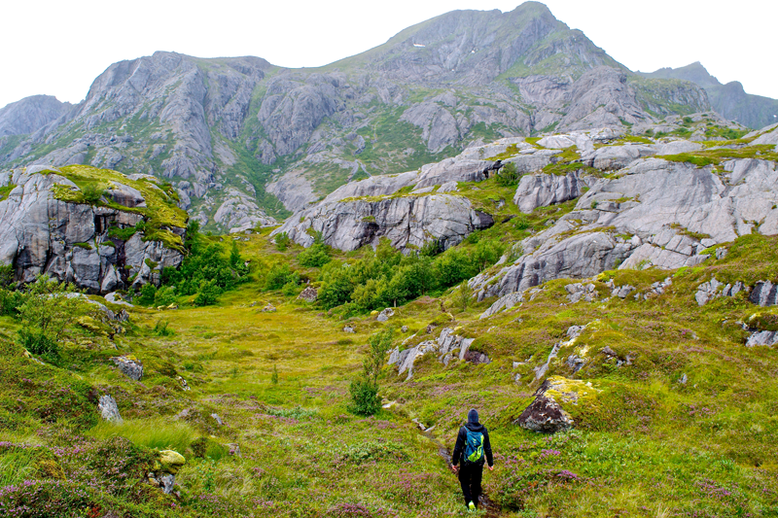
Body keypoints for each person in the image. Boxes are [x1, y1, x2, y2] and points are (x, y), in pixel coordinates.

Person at [451, 408, 493, 510]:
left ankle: (469, 501)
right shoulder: (483, 430)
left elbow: (457, 448)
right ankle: (475, 502)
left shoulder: (463, 430)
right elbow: (487, 448)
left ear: (469, 418)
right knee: (476, 482)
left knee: (463, 480)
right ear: (477, 418)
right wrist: (490, 463)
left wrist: (454, 463)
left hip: (465, 462)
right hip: (479, 463)